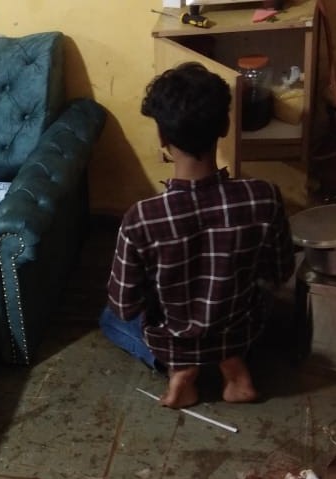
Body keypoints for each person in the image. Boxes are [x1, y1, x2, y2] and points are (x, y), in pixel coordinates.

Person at [101, 62, 295, 409]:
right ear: (225, 126)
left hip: (172, 339)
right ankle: (232, 363)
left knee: (108, 317)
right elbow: (279, 273)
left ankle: (180, 368)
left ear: (162, 138)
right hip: (241, 331)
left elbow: (125, 304)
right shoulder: (264, 196)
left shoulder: (141, 218)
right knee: (262, 299)